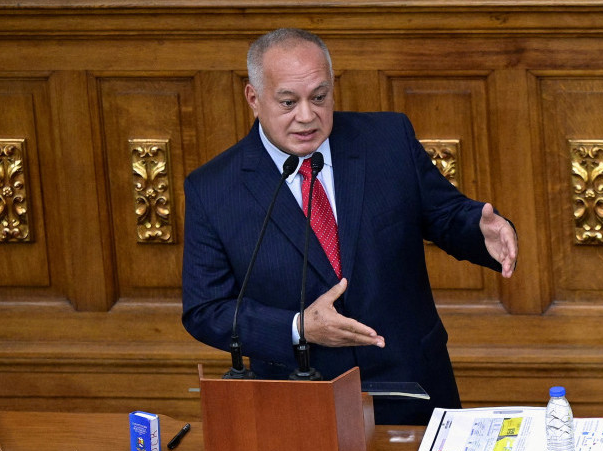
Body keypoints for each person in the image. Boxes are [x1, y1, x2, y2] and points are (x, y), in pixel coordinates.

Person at [182, 28, 518, 425]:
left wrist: (481, 231)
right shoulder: (214, 188)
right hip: (302, 401)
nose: (307, 115)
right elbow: (206, 310)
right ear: (254, 98)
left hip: (412, 383)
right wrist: (298, 327)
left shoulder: (387, 139)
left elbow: (445, 215)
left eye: (319, 97)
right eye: (288, 102)